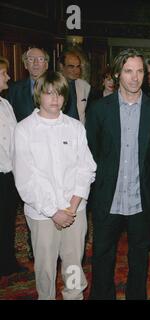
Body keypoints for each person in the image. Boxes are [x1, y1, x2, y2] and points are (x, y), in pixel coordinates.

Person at [86, 48, 150, 300]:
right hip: (107, 198)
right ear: (117, 73)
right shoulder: (99, 110)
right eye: (129, 71)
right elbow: (92, 153)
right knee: (101, 256)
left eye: (140, 71)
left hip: (141, 198)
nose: (135, 77)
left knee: (140, 258)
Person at [13, 71, 96, 299]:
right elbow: (25, 179)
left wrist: (72, 206)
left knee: (72, 264)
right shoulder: (24, 130)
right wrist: (53, 211)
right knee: (45, 267)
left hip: (74, 210)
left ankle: (73, 296)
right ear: (38, 95)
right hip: (42, 213)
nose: (54, 99)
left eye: (59, 94)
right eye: (49, 93)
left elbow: (86, 167)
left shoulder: (75, 127)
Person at [0, 57, 22, 278]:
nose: (8, 77)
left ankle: (7, 261)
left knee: (7, 220)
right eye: (4, 73)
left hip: (8, 174)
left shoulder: (5, 104)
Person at [7, 47, 49, 122]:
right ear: (26, 65)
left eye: (40, 59)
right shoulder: (14, 90)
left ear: (46, 65)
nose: (35, 63)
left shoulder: (59, 87)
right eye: (31, 59)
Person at [59, 49, 91, 124]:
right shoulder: (53, 85)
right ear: (61, 66)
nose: (76, 70)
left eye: (78, 66)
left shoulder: (85, 86)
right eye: (71, 66)